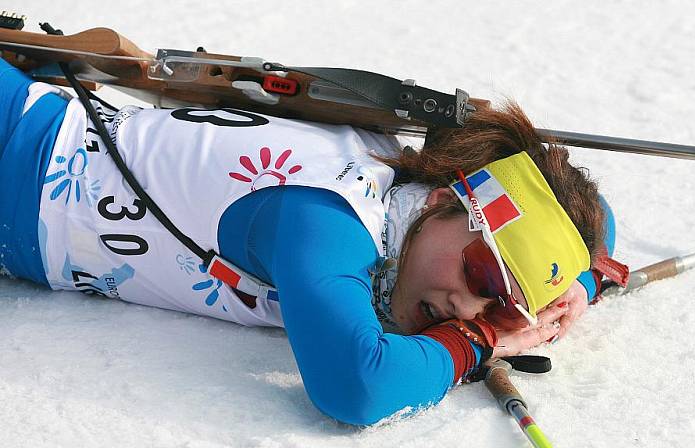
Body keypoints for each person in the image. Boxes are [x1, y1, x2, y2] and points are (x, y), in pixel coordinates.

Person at [0, 57, 617, 425]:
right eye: (482, 275)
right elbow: (359, 385)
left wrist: (577, 284)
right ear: (442, 199)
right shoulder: (328, 221)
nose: (465, 307)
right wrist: (477, 341)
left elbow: (597, 219)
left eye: (505, 305)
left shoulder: (408, 190)